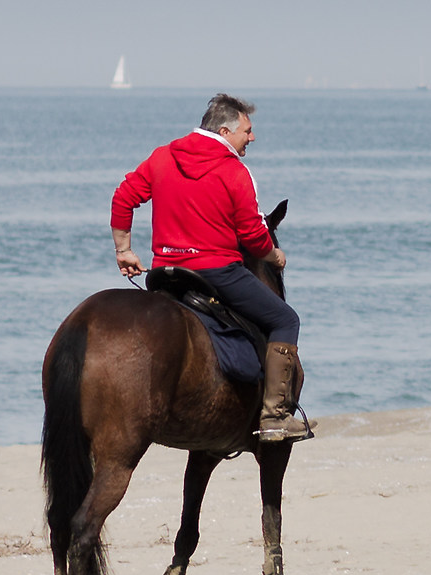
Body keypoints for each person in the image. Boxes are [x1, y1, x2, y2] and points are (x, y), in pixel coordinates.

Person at [111, 92, 309, 440]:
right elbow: (252, 235)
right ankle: (275, 416)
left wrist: (124, 250)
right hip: (217, 273)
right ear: (224, 131)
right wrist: (273, 256)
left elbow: (124, 197)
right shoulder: (236, 172)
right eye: (247, 130)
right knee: (285, 318)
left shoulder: (162, 157)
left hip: (165, 274)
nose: (252, 137)